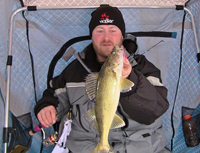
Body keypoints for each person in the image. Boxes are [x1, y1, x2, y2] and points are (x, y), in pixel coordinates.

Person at [34, 4, 170, 153]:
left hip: (141, 147)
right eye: (99, 31)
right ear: (92, 36)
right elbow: (53, 94)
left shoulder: (143, 67)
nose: (107, 37)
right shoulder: (74, 70)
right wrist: (47, 106)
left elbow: (154, 109)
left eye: (113, 30)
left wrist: (130, 78)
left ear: (122, 36)